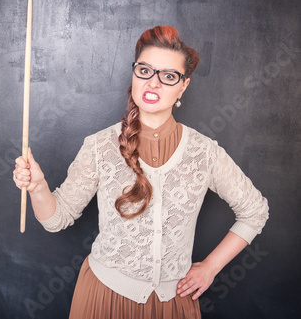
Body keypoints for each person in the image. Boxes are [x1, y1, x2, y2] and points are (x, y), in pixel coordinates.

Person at [13, 25, 268, 319]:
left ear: (183, 86)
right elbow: (56, 220)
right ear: (134, 74)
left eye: (168, 76)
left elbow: (255, 211)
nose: (153, 84)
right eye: (145, 71)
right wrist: (38, 187)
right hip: (103, 299)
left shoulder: (204, 152)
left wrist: (210, 267)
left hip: (174, 304)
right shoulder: (99, 146)